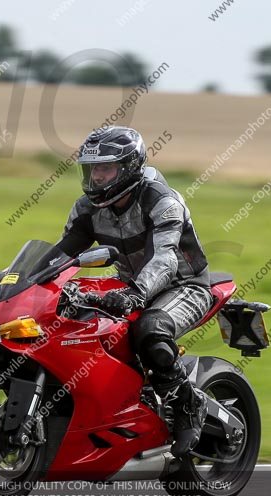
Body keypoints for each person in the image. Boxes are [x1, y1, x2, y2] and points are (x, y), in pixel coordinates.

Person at [56, 126, 213, 457]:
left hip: (183, 285)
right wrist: (22, 281)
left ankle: (188, 405)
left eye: (105, 169)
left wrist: (134, 295)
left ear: (128, 168)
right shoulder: (88, 208)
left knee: (150, 330)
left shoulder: (162, 202)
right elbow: (61, 253)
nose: (96, 178)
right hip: (131, 283)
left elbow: (165, 260)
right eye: (92, 169)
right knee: (69, 319)